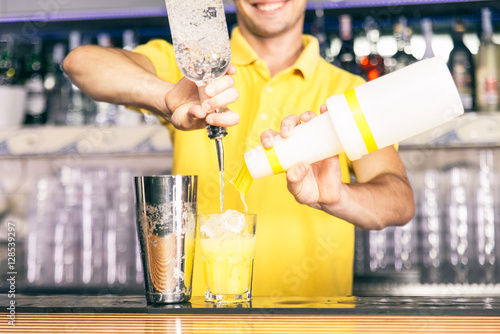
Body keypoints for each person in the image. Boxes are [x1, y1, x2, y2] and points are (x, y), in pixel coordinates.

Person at [63, 0, 415, 297]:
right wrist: (165, 97)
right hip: (200, 322)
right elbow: (80, 63)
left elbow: (399, 202)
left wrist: (339, 198)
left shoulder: (348, 91)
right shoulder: (191, 68)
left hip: (313, 324)